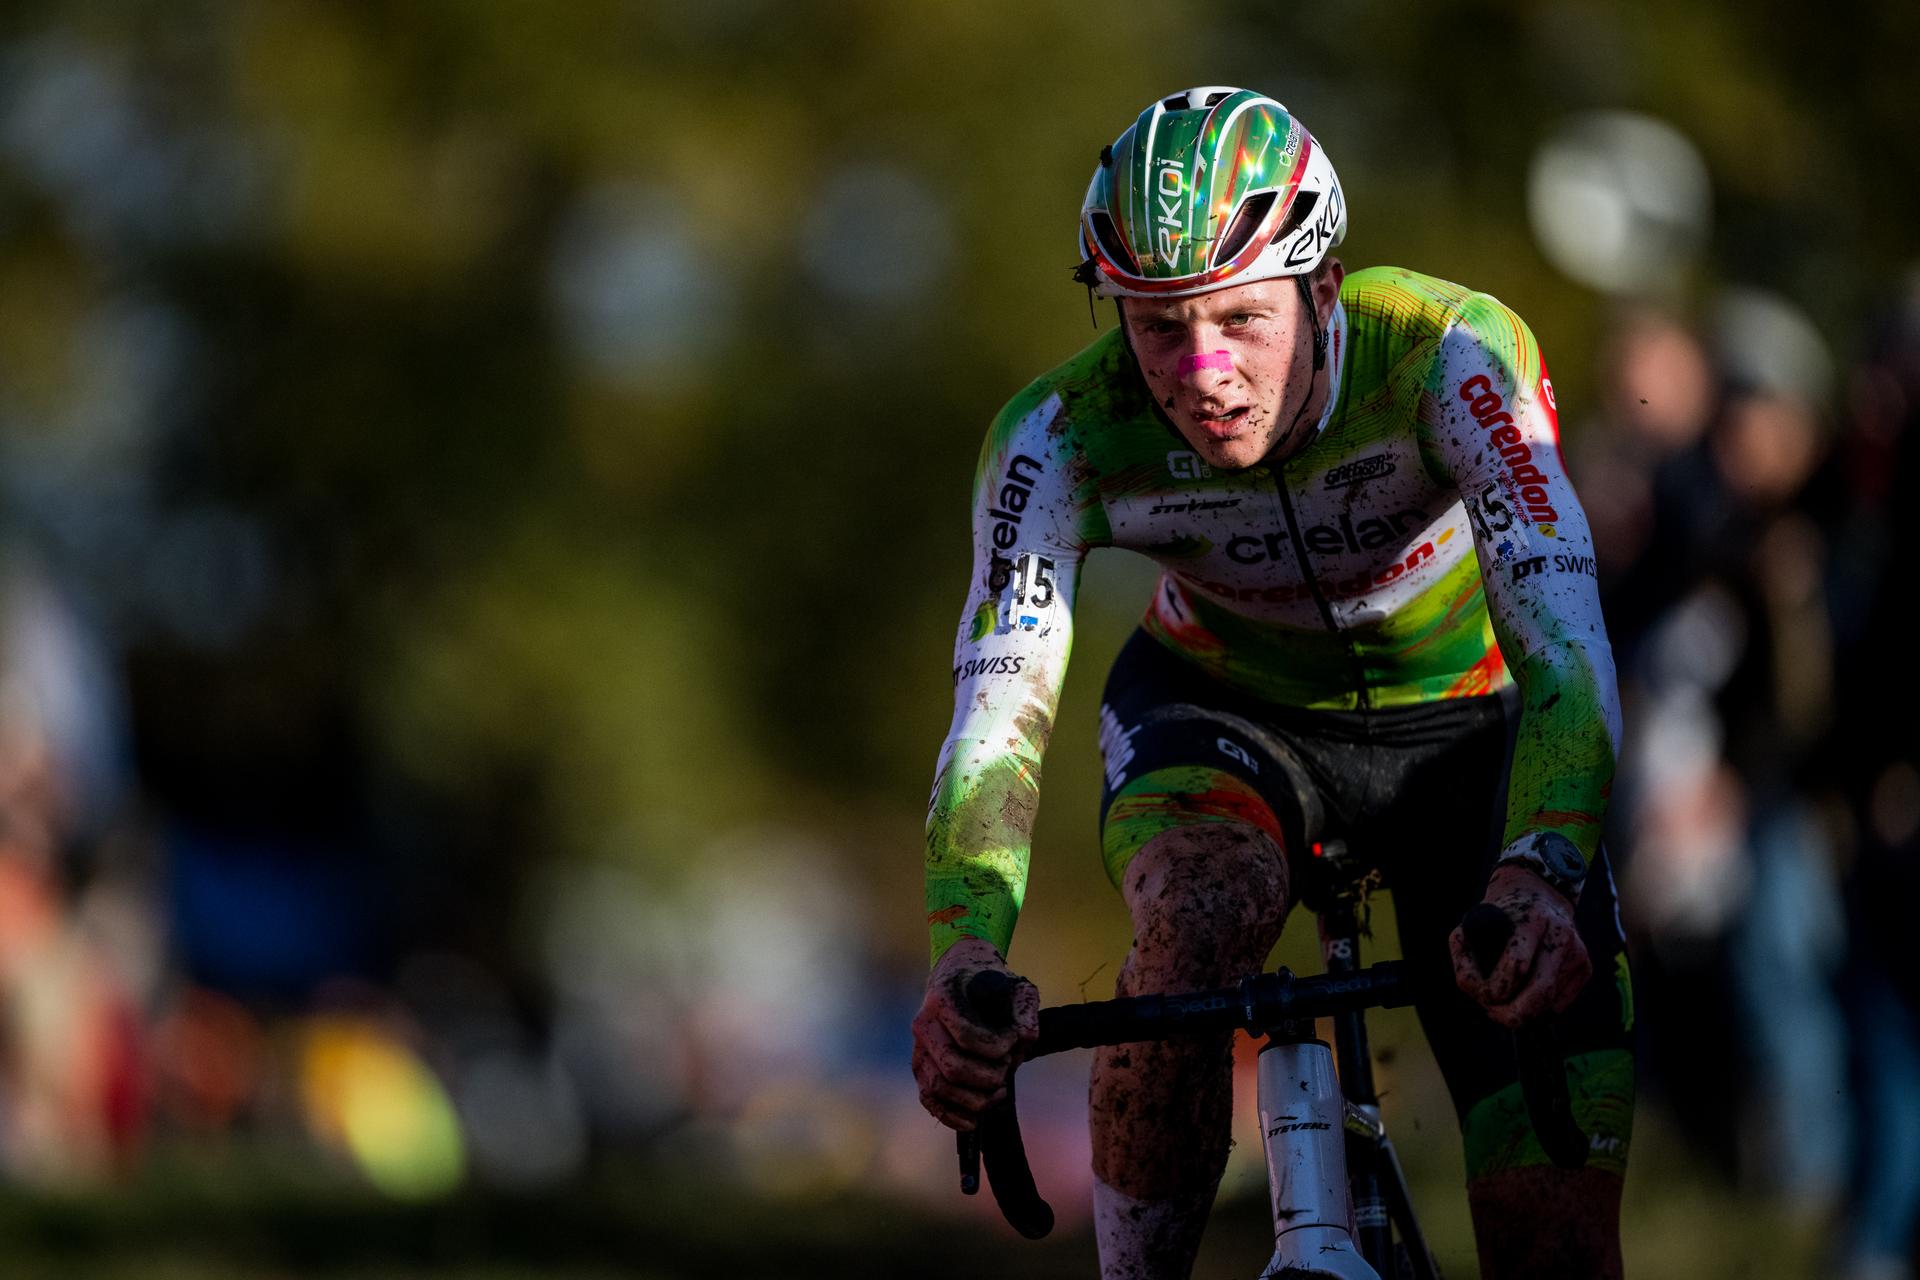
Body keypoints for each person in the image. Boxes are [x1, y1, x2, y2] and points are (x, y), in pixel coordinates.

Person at [910, 87, 1633, 1279]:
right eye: (1157, 327)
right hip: (1223, 714)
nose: (1202, 371)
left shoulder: (1451, 354)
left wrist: (1541, 865)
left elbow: (1567, 647)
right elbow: (995, 720)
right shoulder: (1061, 432)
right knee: (1191, 925)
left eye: (1242, 318)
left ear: (1324, 288)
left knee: (1552, 1243)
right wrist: (963, 953)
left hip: (1470, 726)